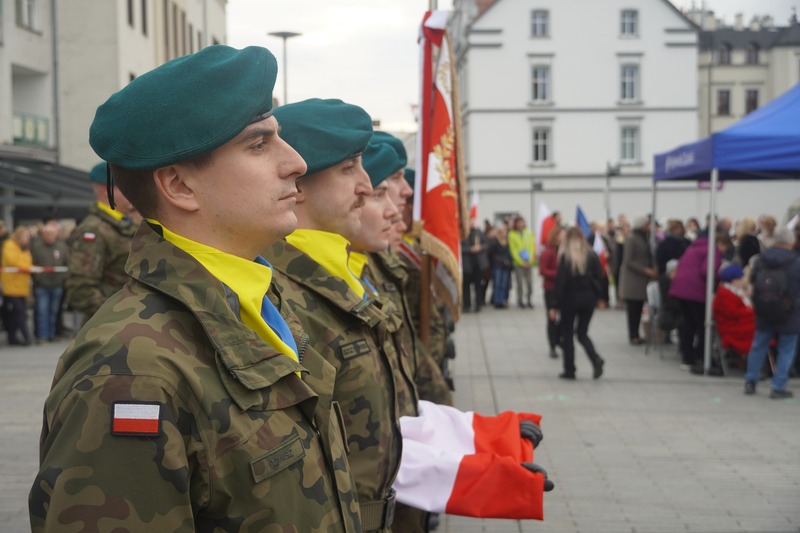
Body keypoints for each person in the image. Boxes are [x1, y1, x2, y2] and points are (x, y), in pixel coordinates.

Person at [29, 46, 361, 532]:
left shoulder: (257, 303)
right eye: (259, 144)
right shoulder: (131, 371)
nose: (296, 163)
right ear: (179, 186)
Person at [264, 98, 405, 531]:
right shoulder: (277, 293)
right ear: (299, 185)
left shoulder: (338, 274)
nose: (365, 185)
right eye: (348, 169)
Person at [65, 161, 140, 324]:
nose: (132, 191)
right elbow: (81, 290)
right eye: (124, 187)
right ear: (107, 191)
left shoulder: (125, 225)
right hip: (111, 326)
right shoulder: (93, 230)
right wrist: (120, 315)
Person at [744, 228, 800, 398]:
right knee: (787, 349)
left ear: (775, 241)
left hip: (764, 308)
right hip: (789, 311)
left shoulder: (761, 259)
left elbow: (753, 281)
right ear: (791, 242)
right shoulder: (796, 262)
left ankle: (750, 381)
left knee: (759, 346)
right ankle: (778, 386)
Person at [550, 227, 605, 380]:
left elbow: (560, 283)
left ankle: (570, 369)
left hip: (570, 300)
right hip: (588, 299)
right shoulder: (592, 255)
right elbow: (600, 278)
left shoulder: (566, 257)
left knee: (567, 334)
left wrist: (554, 305)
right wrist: (598, 296)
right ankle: (595, 359)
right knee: (582, 333)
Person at [669, 230, 726, 371]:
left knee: (688, 324)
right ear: (721, 243)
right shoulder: (713, 250)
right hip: (696, 291)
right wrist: (720, 277)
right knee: (702, 325)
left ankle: (687, 358)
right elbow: (707, 271)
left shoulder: (693, 247)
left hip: (680, 289)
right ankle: (702, 356)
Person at [619, 215, 657, 345]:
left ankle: (636, 334)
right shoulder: (631, 239)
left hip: (640, 280)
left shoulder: (643, 238)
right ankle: (633, 335)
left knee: (638, 308)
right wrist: (645, 270)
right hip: (633, 281)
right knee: (633, 310)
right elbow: (628, 261)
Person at [29, 221, 68, 343]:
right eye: (47, 234)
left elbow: (67, 263)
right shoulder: (36, 248)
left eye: (51, 234)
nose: (49, 237)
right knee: (42, 312)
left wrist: (64, 278)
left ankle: (52, 334)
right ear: (43, 235)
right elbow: (31, 263)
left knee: (54, 312)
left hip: (57, 284)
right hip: (42, 285)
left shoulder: (62, 247)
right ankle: (42, 336)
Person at [713, 263, 755, 360]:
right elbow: (733, 313)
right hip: (731, 328)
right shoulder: (725, 294)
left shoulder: (730, 290)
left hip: (735, 324)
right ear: (734, 280)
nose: (742, 281)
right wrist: (751, 311)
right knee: (762, 331)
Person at [1, 226, 33, 346]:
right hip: (11, 286)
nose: (27, 239)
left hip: (21, 286)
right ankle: (26, 337)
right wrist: (28, 267)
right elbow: (14, 262)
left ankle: (12, 338)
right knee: (19, 312)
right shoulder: (9, 245)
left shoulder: (24, 248)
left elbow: (27, 263)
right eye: (25, 236)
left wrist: (28, 266)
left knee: (13, 314)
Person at [540, 226, 564, 358]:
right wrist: (559, 274)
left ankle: (559, 340)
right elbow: (542, 270)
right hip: (551, 289)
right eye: (561, 235)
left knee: (564, 318)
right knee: (552, 318)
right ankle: (552, 346)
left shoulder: (564, 251)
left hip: (563, 290)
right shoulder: (548, 252)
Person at [462, 218, 489, 312]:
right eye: (470, 222)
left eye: (473, 222)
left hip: (478, 264)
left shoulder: (479, 233)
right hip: (467, 264)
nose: (472, 224)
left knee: (478, 285)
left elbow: (486, 245)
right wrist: (470, 249)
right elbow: (459, 247)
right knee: (466, 286)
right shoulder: (462, 233)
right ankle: (466, 305)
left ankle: (478, 304)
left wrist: (480, 247)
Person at [509, 215, 536, 308]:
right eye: (518, 223)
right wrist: (521, 262)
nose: (520, 224)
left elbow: (532, 248)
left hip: (528, 262)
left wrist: (529, 260)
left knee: (529, 283)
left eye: (522, 222)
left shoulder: (528, 233)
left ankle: (529, 299)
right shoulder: (512, 235)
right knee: (520, 283)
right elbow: (513, 250)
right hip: (519, 263)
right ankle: (520, 300)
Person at [488, 225, 513, 308]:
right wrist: (500, 260)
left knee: (504, 284)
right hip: (497, 265)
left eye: (505, 231)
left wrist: (508, 261)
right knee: (497, 284)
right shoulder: (494, 241)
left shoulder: (507, 241)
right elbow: (491, 254)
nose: (504, 233)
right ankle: (497, 301)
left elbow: (509, 253)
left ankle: (503, 300)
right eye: (502, 232)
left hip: (506, 265)